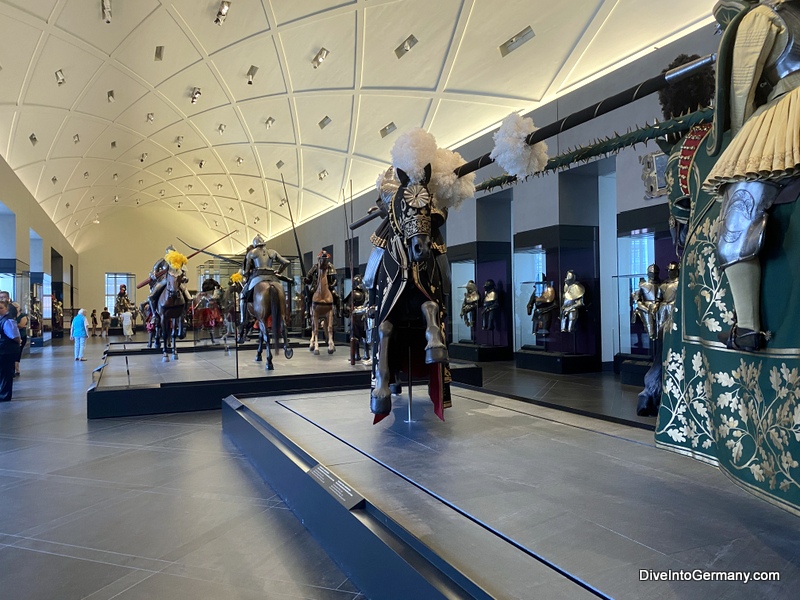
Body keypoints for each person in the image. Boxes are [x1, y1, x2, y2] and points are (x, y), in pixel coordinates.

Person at [704, 0, 800, 351]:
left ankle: (746, 326)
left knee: (741, 200)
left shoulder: (764, 17)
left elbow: (740, 89)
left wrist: (743, 137)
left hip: (790, 103)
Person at [239, 235, 290, 332]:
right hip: (273, 278)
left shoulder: (251, 253)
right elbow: (286, 262)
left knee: (242, 295)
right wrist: (278, 271)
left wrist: (249, 272)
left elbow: (245, 272)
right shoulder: (272, 252)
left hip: (257, 277)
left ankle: (242, 320)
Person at [0, 299, 22, 402]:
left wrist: (18, 342)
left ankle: (5, 395)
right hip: (3, 350)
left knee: (5, 373)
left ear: (6, 309)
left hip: (7, 351)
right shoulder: (2, 319)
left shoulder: (8, 321)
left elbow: (15, 336)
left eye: (1, 308)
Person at [14, 303, 28, 377]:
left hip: (21, 336)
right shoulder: (10, 316)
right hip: (12, 336)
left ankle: (17, 367)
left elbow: (21, 325)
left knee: (18, 352)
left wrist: (12, 324)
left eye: (16, 307)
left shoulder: (23, 316)